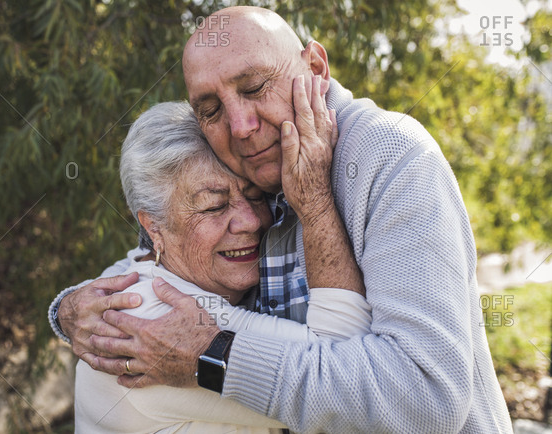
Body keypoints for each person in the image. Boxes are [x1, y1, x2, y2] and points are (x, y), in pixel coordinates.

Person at [49, 6, 512, 433]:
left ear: (315, 67)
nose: (240, 126)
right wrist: (69, 309)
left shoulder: (390, 156)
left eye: (254, 88)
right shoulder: (246, 165)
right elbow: (152, 260)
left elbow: (425, 401)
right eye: (210, 110)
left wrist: (211, 357)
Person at [75, 101, 371, 433]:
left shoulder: (162, 273)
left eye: (256, 196)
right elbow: (346, 373)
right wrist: (316, 201)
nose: (250, 222)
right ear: (154, 227)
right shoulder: (152, 315)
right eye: (214, 206)